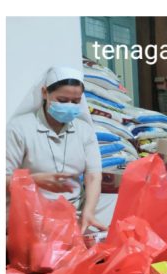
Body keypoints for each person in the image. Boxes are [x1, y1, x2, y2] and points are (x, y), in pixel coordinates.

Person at [6, 66, 105, 233]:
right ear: (45, 93)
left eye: (75, 102)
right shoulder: (20, 128)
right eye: (62, 100)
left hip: (74, 209)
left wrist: (89, 212)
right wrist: (33, 180)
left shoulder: (84, 130)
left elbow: (94, 175)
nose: (69, 106)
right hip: (32, 212)